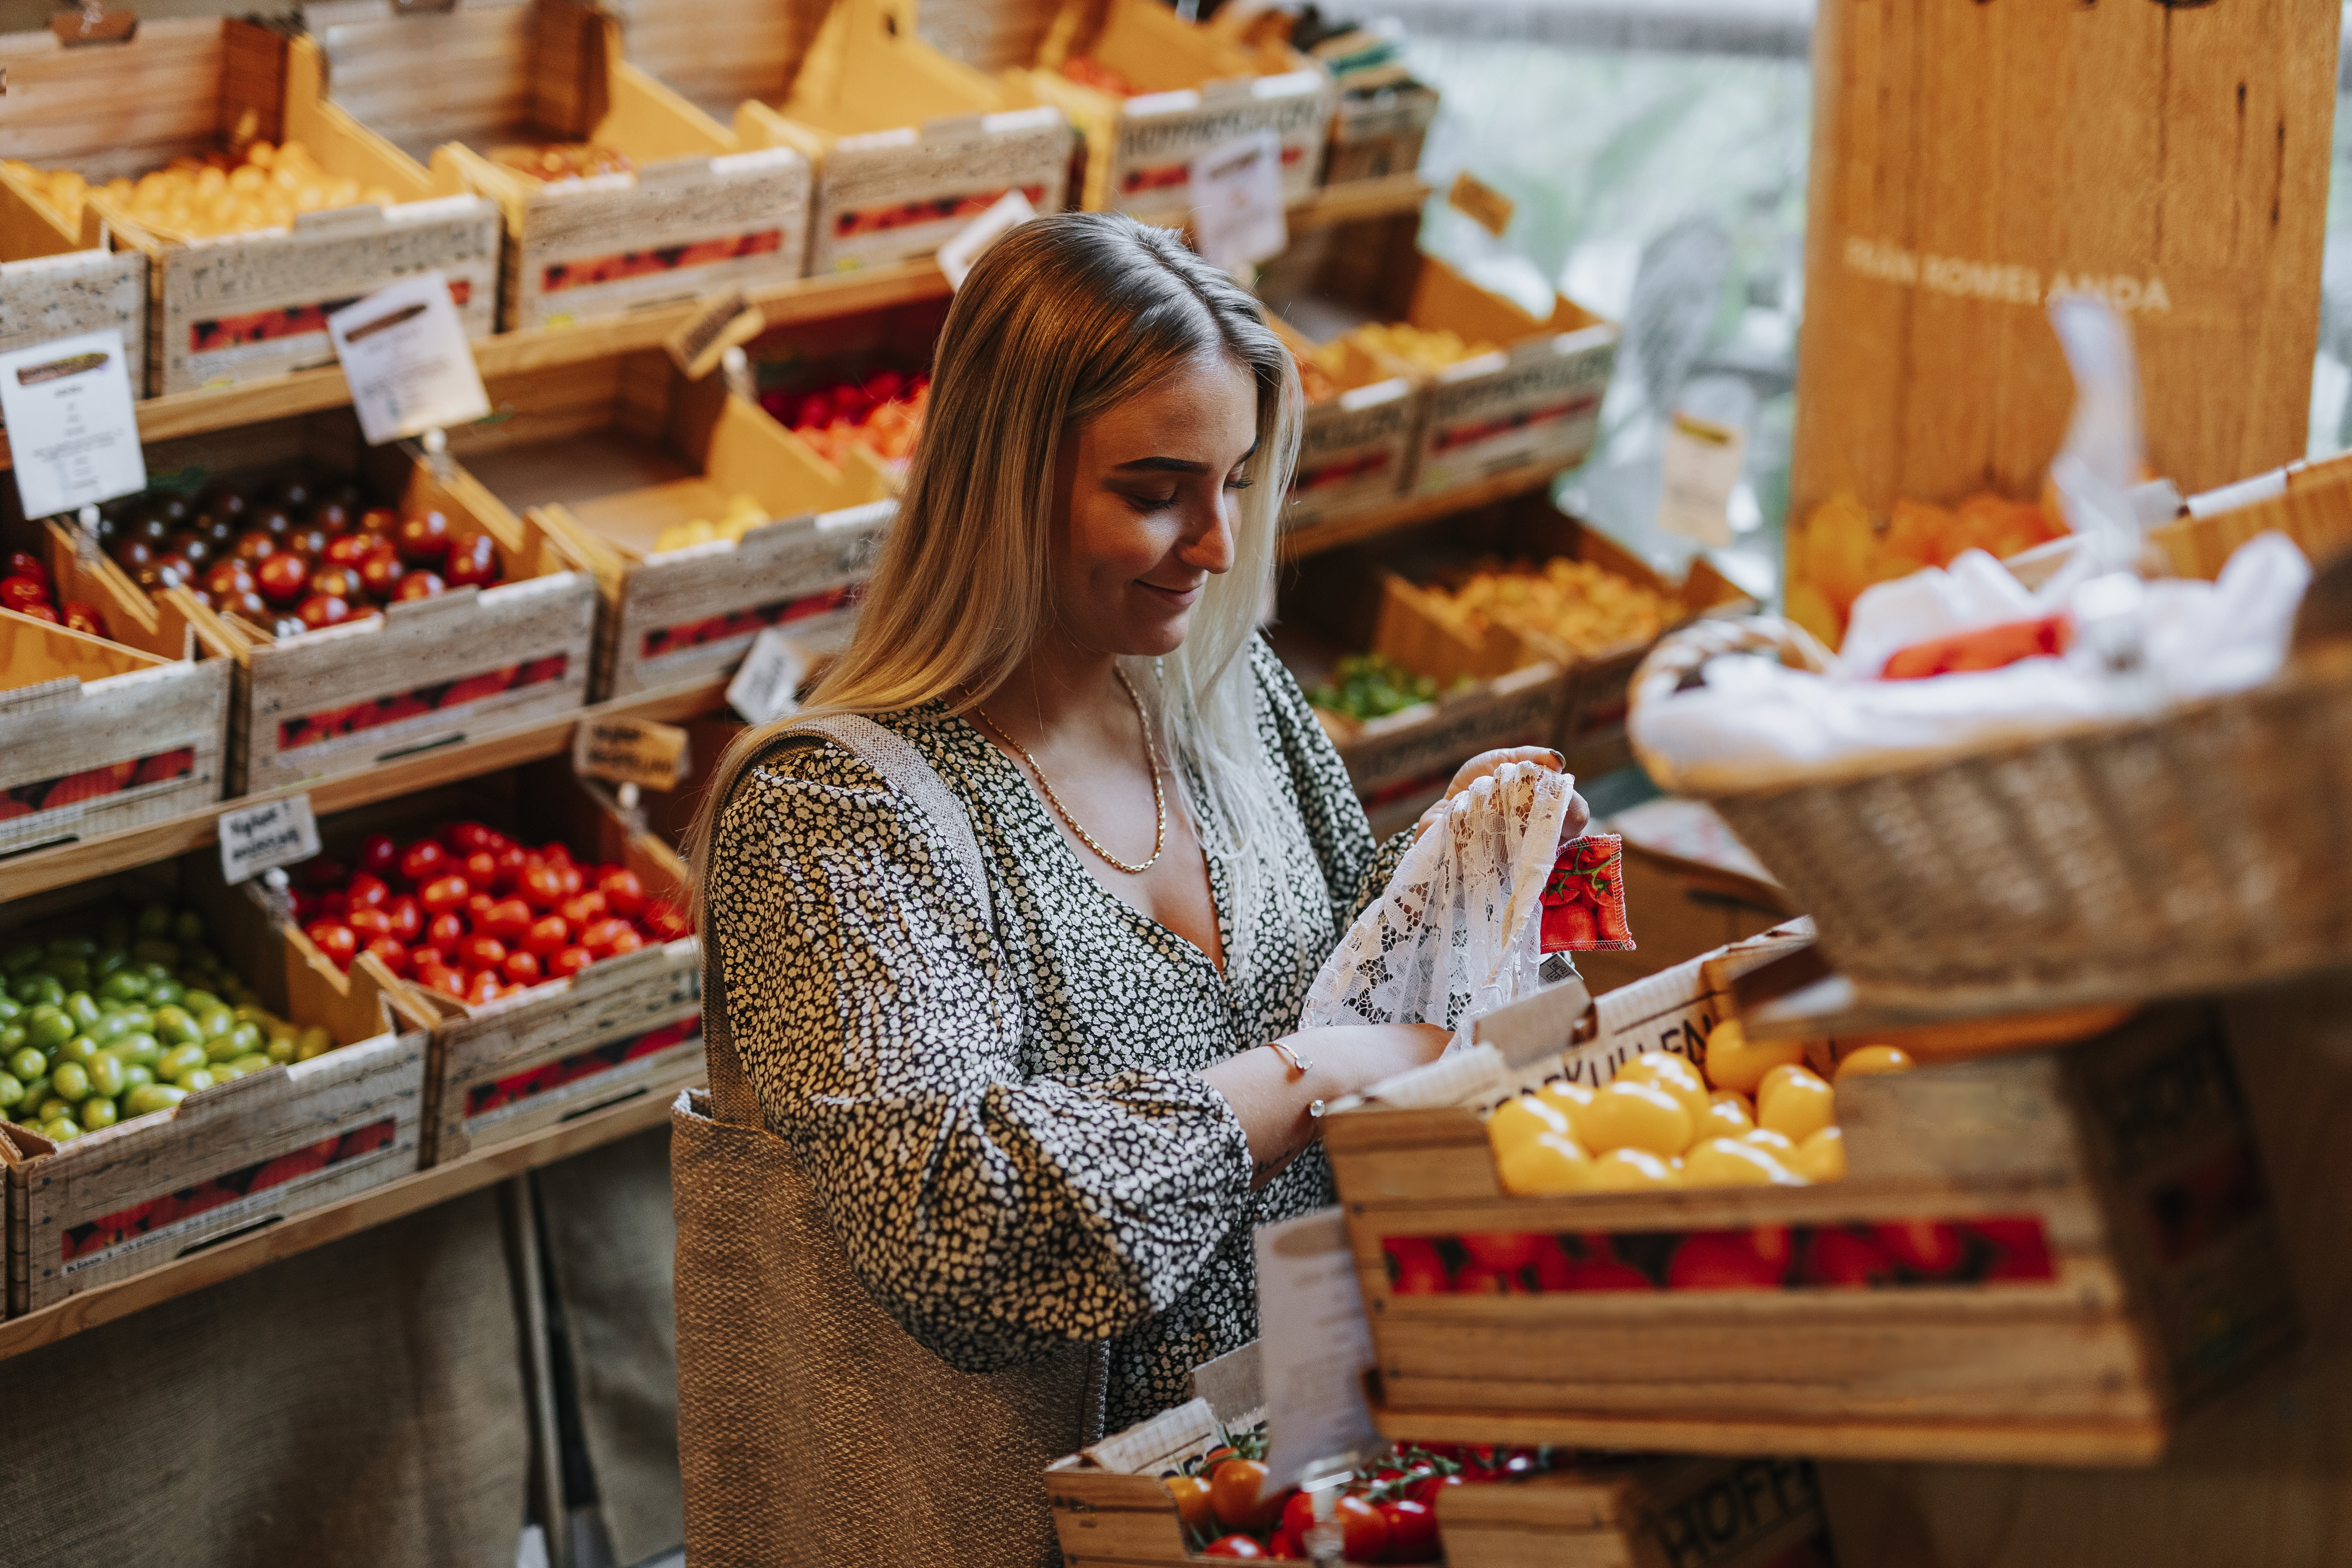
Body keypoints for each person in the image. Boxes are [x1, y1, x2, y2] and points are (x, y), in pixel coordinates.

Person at [681, 211, 1587, 1565]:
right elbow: (962, 1229)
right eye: (1156, 491)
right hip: (1014, 1529)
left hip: (1300, 1482)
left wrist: (1477, 882)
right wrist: (1307, 1076)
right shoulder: (834, 815)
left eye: (1235, 484)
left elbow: (1370, 992)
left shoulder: (1227, 699)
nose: (1214, 545)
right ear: (1001, 483)